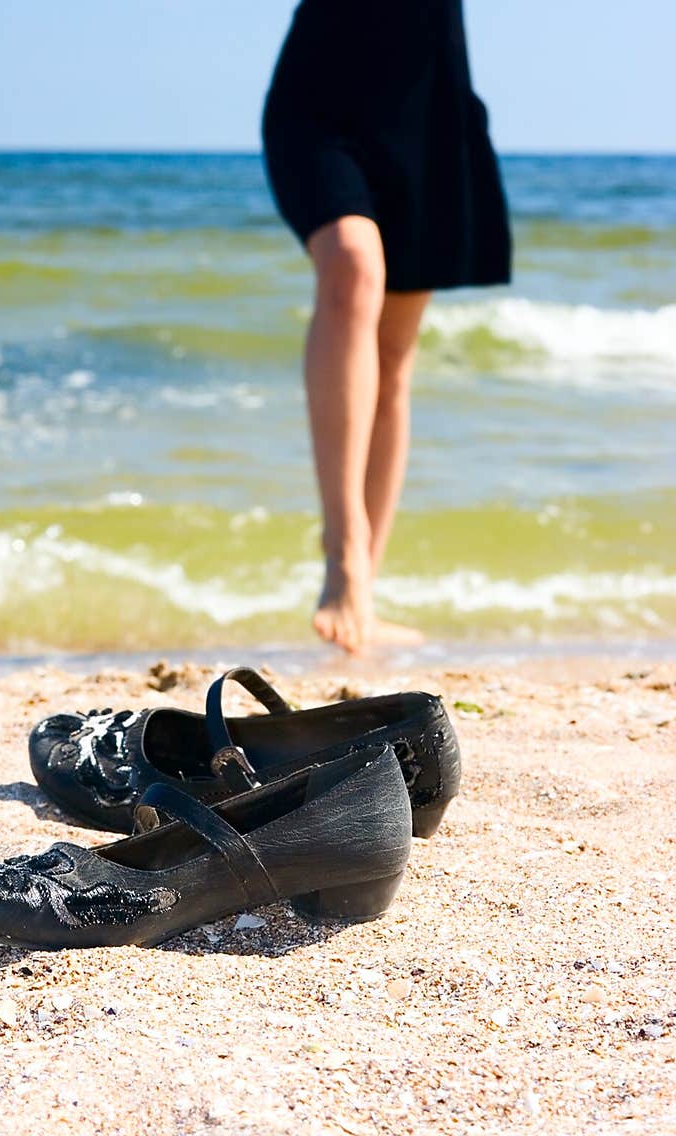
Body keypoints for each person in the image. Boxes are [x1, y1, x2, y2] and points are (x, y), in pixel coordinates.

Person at [262, 0, 511, 653]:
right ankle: (343, 558)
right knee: (351, 265)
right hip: (321, 93)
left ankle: (363, 590)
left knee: (394, 358)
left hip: (428, 111)